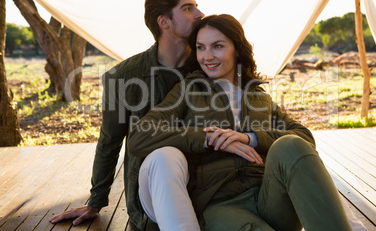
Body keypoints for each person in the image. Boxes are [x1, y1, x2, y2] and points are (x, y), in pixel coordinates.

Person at [128, 14, 354, 230]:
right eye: (200, 47)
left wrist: (251, 138)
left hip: (271, 196)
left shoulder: (258, 95)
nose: (207, 56)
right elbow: (140, 135)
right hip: (221, 203)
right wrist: (208, 138)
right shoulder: (187, 90)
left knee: (291, 144)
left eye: (218, 46)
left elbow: (304, 137)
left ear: (237, 49)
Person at [49, 0, 204, 230]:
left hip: (208, 182)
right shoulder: (122, 76)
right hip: (152, 187)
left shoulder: (209, 66)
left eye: (196, 7)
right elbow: (109, 141)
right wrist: (96, 201)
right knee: (164, 157)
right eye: (188, 8)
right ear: (164, 22)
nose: (199, 14)